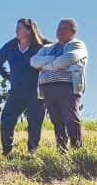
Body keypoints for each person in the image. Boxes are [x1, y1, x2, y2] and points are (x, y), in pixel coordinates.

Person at [0, 18, 49, 156]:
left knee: (35, 121)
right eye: (16, 28)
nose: (16, 31)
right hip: (17, 90)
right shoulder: (11, 45)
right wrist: (8, 76)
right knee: (7, 118)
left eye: (20, 28)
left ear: (29, 30)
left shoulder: (43, 45)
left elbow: (54, 58)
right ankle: (7, 150)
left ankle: (32, 151)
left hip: (36, 91)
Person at [32, 18, 88, 151]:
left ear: (73, 32)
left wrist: (46, 66)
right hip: (48, 87)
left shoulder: (77, 45)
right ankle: (61, 149)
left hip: (67, 86)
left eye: (64, 28)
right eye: (59, 28)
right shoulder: (48, 48)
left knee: (70, 118)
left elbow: (67, 59)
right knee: (56, 120)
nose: (60, 31)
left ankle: (77, 149)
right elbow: (34, 62)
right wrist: (53, 60)